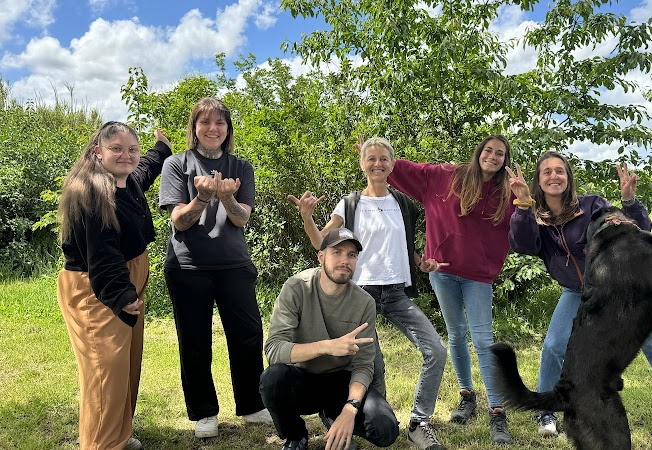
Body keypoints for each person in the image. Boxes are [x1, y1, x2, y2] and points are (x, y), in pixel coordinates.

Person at [507, 151, 652, 437]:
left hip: (618, 292)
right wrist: (521, 205)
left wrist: (629, 202)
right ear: (539, 180)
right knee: (554, 344)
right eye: (547, 172)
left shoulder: (592, 205)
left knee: (651, 343)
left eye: (560, 171)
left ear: (568, 177)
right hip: (576, 292)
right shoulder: (536, 219)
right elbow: (522, 244)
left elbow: (637, 229)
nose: (554, 176)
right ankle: (547, 411)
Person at [289, 137, 447, 450]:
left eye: (383, 159)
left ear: (392, 164)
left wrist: (422, 263)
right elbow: (321, 242)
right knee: (372, 364)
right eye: (370, 158)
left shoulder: (403, 203)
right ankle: (365, 422)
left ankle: (418, 422)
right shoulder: (349, 204)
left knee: (436, 350)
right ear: (362, 164)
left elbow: (405, 247)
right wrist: (307, 217)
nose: (377, 164)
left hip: (397, 292)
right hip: (360, 295)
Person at [386, 135, 515, 444]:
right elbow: (407, 170)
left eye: (500, 154)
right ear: (479, 152)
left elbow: (529, 224)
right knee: (456, 334)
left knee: (483, 340)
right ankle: (467, 395)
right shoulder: (447, 176)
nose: (493, 157)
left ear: (505, 161)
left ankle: (497, 411)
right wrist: (378, 156)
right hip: (442, 273)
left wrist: (525, 201)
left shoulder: (508, 193)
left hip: (478, 277)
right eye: (488, 150)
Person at [158, 97, 271, 438]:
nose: (212, 129)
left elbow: (242, 218)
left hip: (234, 265)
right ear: (194, 128)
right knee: (194, 340)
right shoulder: (177, 165)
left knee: (248, 337)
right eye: (205, 122)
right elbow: (179, 221)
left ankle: (252, 405)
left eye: (219, 123)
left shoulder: (241, 167)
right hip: (188, 267)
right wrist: (203, 198)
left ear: (228, 129)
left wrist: (226, 197)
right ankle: (204, 412)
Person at [56, 122, 172, 450]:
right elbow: (102, 253)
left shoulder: (126, 179)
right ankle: (102, 444)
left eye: (131, 149)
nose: (126, 155)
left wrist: (160, 148)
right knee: (105, 368)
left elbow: (145, 169)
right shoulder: (91, 192)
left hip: (125, 280)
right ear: (98, 152)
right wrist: (121, 293)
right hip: (98, 288)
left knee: (126, 363)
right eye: (117, 149)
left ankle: (117, 435)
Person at [260, 228, 400, 450]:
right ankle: (296, 436)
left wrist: (350, 409)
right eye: (337, 252)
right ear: (321, 256)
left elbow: (364, 365)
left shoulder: (364, 303)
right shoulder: (297, 288)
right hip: (302, 380)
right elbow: (274, 349)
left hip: (341, 382)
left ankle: (334, 415)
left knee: (386, 429)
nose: (345, 260)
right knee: (273, 379)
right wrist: (327, 347)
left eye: (351, 255)